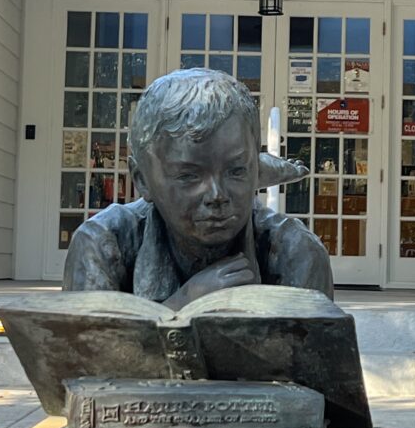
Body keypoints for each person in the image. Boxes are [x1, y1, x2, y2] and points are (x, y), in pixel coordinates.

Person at [63, 68, 333, 306]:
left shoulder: (296, 251)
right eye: (189, 176)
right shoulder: (102, 243)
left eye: (236, 171)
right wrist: (182, 305)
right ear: (142, 179)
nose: (217, 196)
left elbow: (315, 358)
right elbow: (83, 356)